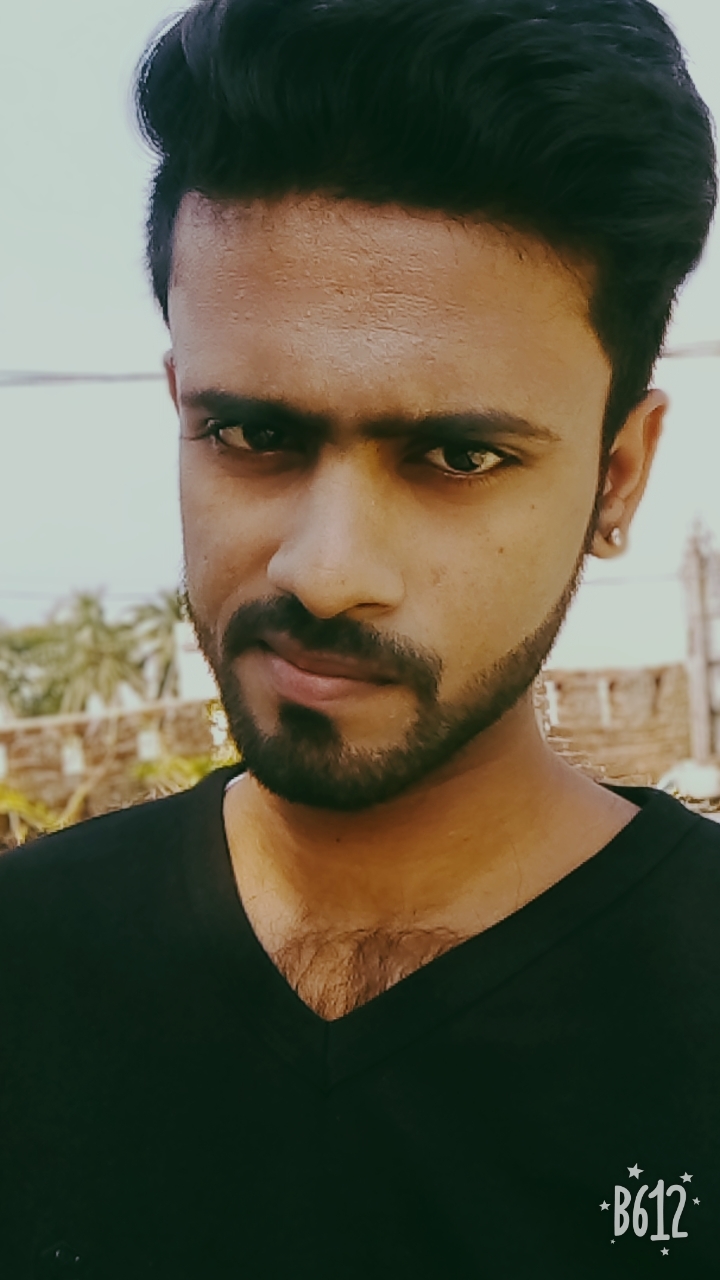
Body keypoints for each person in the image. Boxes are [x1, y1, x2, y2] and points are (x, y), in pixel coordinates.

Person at [1, 1, 717, 1275]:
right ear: (180, 408)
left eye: (458, 455)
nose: (326, 571)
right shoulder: (25, 964)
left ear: (618, 476)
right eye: (253, 435)